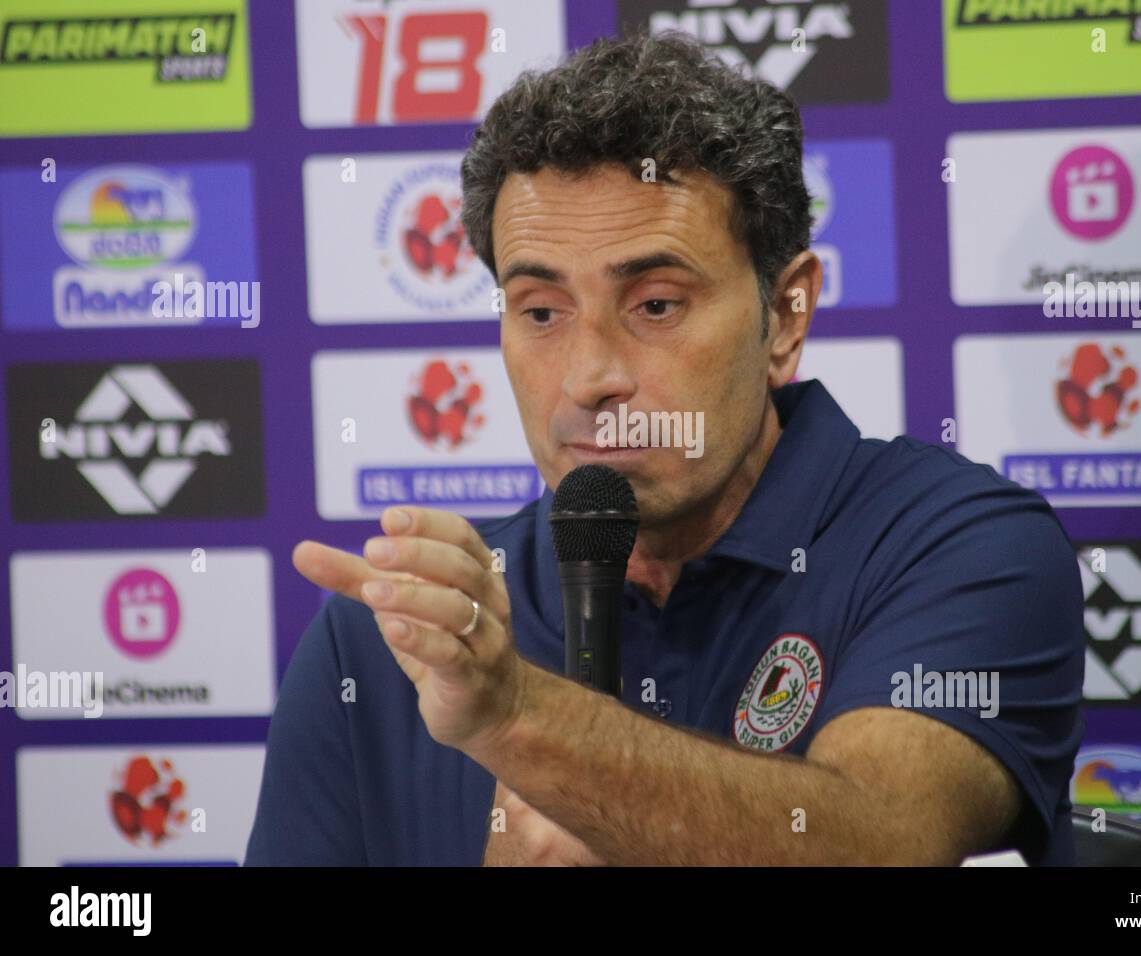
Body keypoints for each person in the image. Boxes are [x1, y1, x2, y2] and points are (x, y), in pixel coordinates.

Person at [245, 31, 1085, 866]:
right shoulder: (394, 640)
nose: (589, 377)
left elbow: (884, 843)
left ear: (786, 314)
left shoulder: (961, 544)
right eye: (541, 311)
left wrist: (519, 720)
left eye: (654, 304)